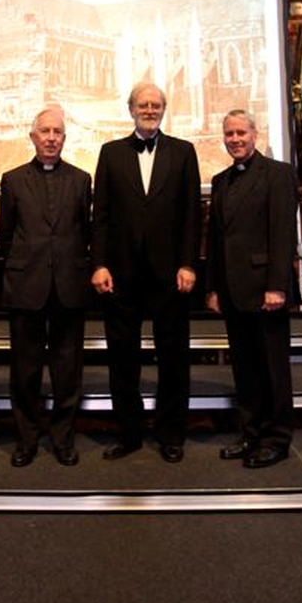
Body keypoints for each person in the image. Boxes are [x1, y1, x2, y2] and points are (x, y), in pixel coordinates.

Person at [91, 81, 201, 463]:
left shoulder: (184, 152)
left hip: (170, 274)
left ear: (164, 109)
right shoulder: (110, 153)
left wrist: (189, 263)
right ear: (131, 109)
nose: (149, 109)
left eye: (156, 104)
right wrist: (99, 264)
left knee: (173, 356)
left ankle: (172, 434)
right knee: (123, 358)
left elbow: (191, 215)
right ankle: (129, 434)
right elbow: (100, 215)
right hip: (120, 275)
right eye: (143, 104)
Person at [205, 109, 299, 468]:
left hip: (265, 291)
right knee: (245, 368)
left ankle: (277, 439)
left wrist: (277, 286)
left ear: (255, 134)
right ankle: (252, 433)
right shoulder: (220, 180)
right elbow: (215, 239)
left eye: (241, 133)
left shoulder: (277, 174)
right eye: (229, 134)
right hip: (232, 291)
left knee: (273, 369)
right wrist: (213, 287)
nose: (235, 139)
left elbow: (282, 234)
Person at [0, 107, 92, 467]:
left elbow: (86, 230)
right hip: (26, 286)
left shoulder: (82, 179)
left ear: (64, 139)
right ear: (33, 137)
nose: (51, 137)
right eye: (45, 131)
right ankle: (26, 439)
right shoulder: (12, 179)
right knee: (25, 371)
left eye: (57, 132)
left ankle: (63, 439)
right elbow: (6, 234)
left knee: (68, 372)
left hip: (69, 285)